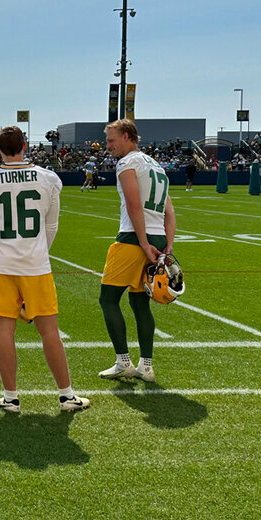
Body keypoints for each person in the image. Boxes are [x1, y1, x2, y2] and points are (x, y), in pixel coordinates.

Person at [0, 126, 89, 414]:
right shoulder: (48, 179)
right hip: (36, 265)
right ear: (25, 146)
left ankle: (10, 398)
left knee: (4, 331)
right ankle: (66, 395)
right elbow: (51, 226)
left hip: (1, 265)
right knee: (50, 331)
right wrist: (37, 253)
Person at [98, 119, 176, 383]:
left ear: (128, 136)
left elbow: (133, 204)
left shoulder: (127, 163)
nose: (107, 146)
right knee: (139, 303)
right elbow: (170, 212)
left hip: (134, 238)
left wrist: (143, 242)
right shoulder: (157, 167)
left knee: (108, 299)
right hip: (157, 236)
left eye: (111, 140)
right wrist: (168, 244)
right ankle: (146, 366)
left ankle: (124, 363)